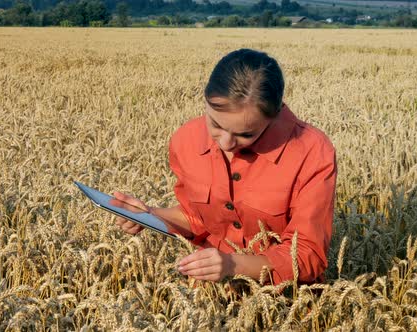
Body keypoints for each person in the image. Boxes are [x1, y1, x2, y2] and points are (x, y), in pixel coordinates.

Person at [113, 49, 337, 285]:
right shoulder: (186, 139)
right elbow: (198, 219)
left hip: (285, 299)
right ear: (206, 99)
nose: (226, 143)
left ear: (276, 114)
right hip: (209, 295)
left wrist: (233, 265)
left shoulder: (312, 151)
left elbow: (307, 255)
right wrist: (149, 215)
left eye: (246, 134)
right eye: (216, 125)